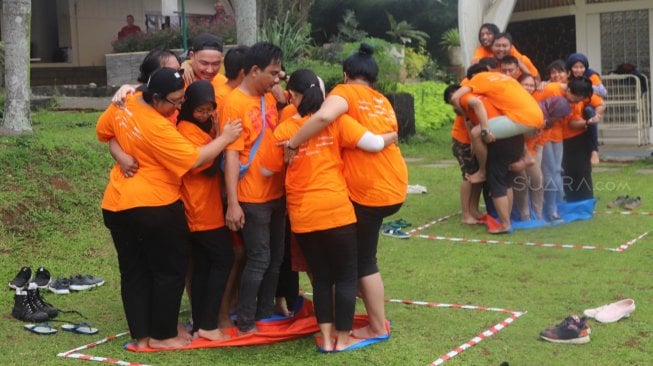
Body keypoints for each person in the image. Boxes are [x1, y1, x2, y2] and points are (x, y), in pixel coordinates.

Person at [97, 67, 242, 349]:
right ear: (155, 98)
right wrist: (225, 138)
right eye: (174, 102)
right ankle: (163, 336)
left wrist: (122, 154)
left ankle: (144, 336)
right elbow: (196, 159)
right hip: (154, 205)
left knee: (135, 271)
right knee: (170, 270)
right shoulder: (158, 126)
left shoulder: (123, 103)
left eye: (180, 101)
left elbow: (105, 132)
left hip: (116, 203)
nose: (177, 107)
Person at [261, 68, 398, 351]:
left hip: (302, 215)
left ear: (295, 96)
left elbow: (265, 167)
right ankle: (343, 339)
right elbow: (372, 143)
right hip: (337, 210)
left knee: (321, 278)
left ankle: (325, 339)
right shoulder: (337, 123)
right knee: (346, 276)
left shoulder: (285, 130)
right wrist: (391, 137)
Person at [284, 43, 408, 340]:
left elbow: (324, 117)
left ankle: (375, 326)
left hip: (369, 189)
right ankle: (358, 319)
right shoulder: (381, 100)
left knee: (362, 261)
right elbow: (380, 140)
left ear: (345, 75)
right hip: (394, 184)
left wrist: (292, 143)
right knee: (362, 257)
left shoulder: (345, 92)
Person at [220, 42, 286, 335]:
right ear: (254, 70)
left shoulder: (269, 95)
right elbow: (231, 154)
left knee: (276, 257)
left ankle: (265, 312)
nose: (277, 78)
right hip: (252, 196)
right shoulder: (234, 102)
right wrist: (233, 203)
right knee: (259, 259)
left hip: (277, 193)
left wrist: (278, 86)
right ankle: (245, 321)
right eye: (272, 72)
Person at [176, 80, 240, 341]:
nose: (204, 114)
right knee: (223, 258)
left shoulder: (202, 126)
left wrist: (216, 133)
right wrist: (224, 139)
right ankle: (208, 324)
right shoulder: (185, 129)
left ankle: (201, 323)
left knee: (204, 265)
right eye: (199, 109)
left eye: (208, 109)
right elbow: (203, 165)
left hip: (207, 208)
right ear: (189, 105)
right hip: (199, 209)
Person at [566, 53, 605, 165]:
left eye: (581, 67)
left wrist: (596, 116)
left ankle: (594, 151)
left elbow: (602, 103)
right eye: (575, 67)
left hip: (582, 116)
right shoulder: (565, 80)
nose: (578, 70)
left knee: (589, 111)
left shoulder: (587, 82)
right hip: (568, 118)